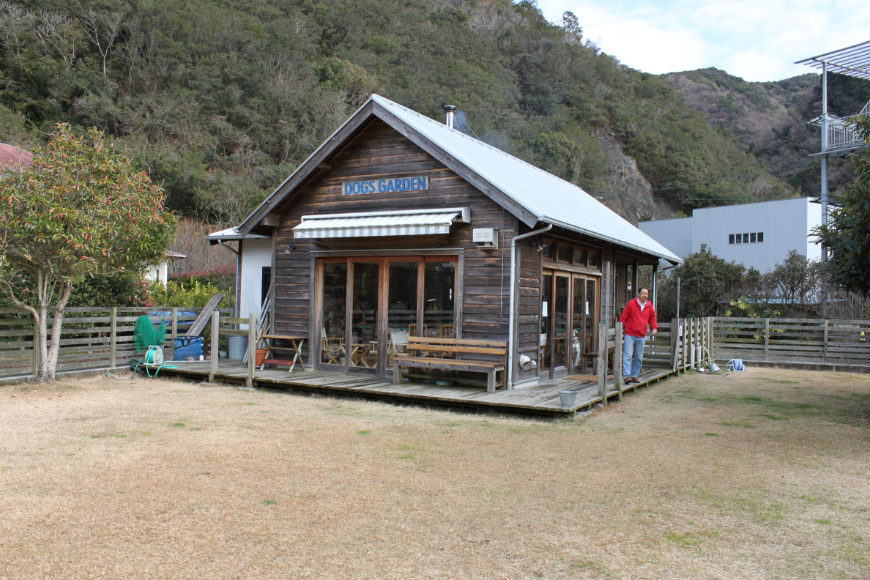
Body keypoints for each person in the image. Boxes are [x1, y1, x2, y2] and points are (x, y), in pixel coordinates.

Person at [617, 287, 657, 384]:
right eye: (642, 293)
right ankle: (627, 376)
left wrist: (654, 327)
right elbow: (624, 316)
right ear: (638, 294)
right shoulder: (631, 303)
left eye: (646, 294)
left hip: (641, 335)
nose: (644, 295)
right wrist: (619, 328)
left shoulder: (649, 306)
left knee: (638, 357)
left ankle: (634, 375)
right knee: (628, 355)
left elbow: (652, 317)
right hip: (630, 334)